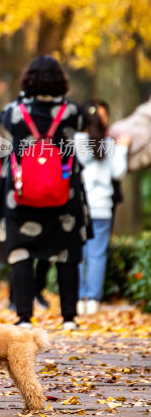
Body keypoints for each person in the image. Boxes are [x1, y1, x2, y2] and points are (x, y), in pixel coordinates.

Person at [0, 55, 92, 331]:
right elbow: (83, 123)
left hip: (22, 192)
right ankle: (69, 318)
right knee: (67, 252)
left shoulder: (15, 111)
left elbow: (3, 120)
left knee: (21, 251)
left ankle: (23, 317)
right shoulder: (71, 111)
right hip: (64, 192)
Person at [75, 100, 130, 314]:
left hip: (81, 206)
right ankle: (94, 301)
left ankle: (80, 298)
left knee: (79, 254)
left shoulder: (77, 141)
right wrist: (123, 149)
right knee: (97, 254)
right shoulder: (109, 144)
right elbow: (118, 173)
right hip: (102, 208)